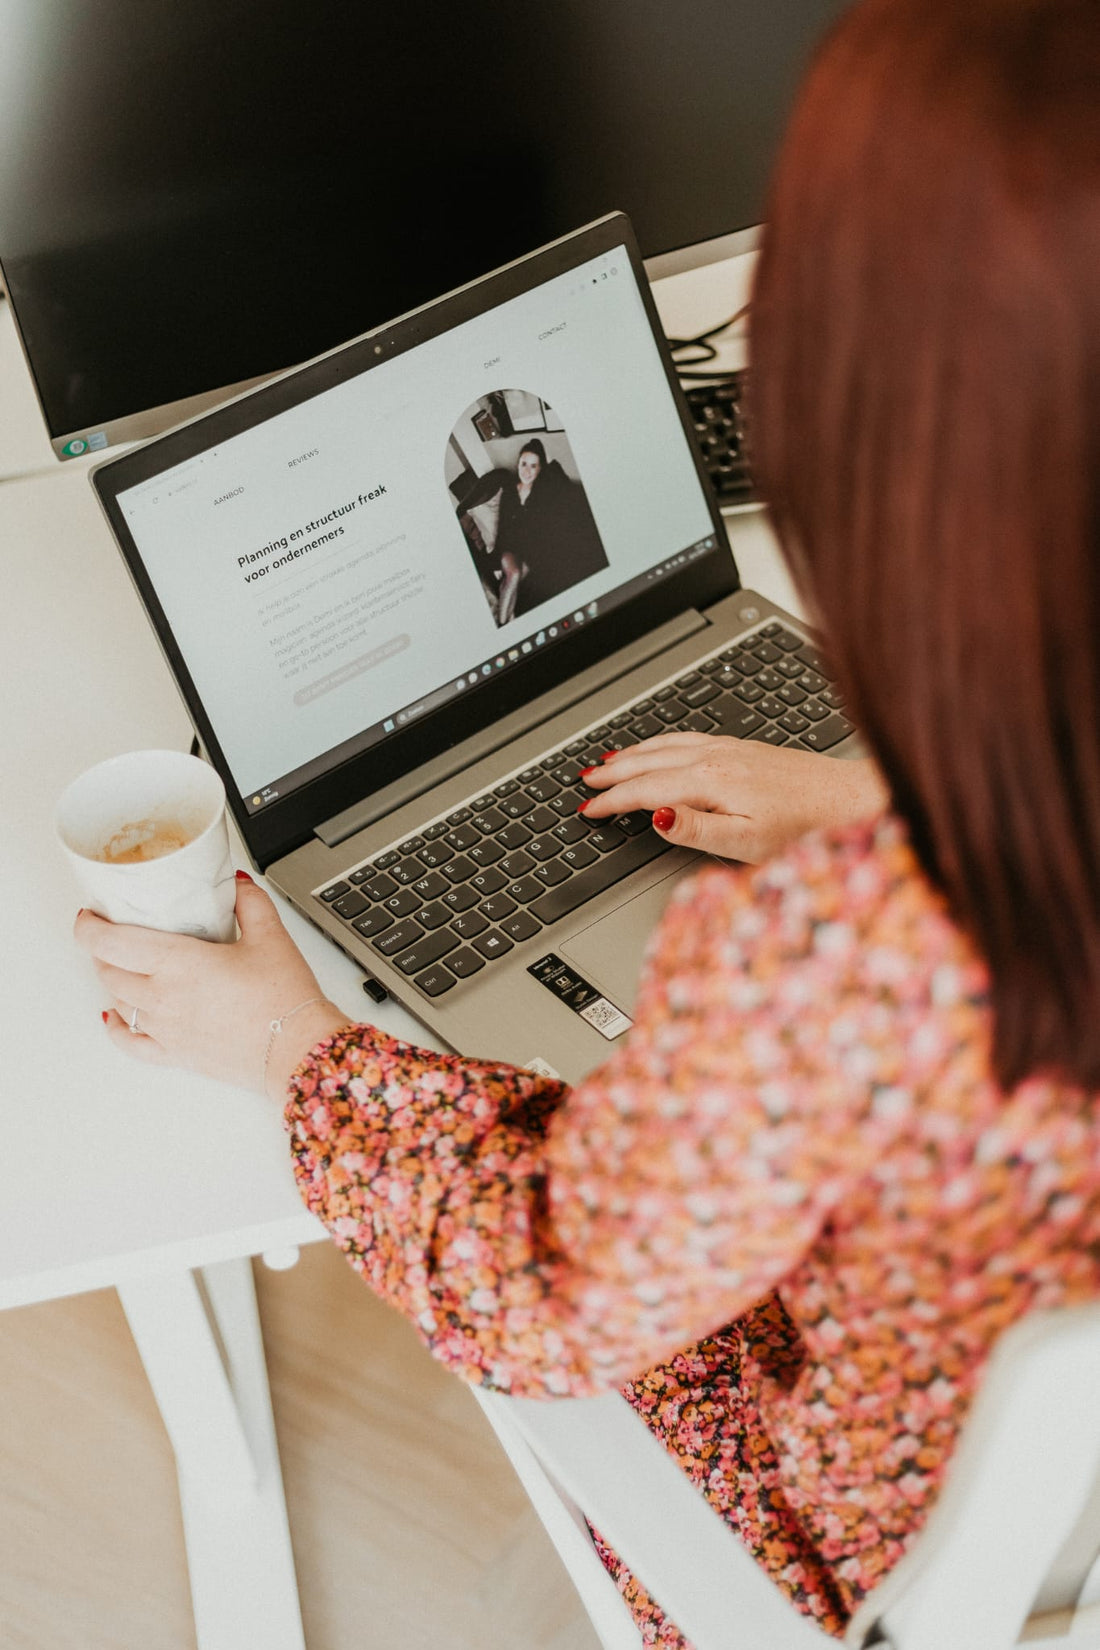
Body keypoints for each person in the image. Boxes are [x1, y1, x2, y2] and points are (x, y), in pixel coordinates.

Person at [74, 0, 1100, 1642]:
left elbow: (538, 1287)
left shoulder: (837, 970)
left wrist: (294, 1050)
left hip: (863, 1545)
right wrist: (876, 799)